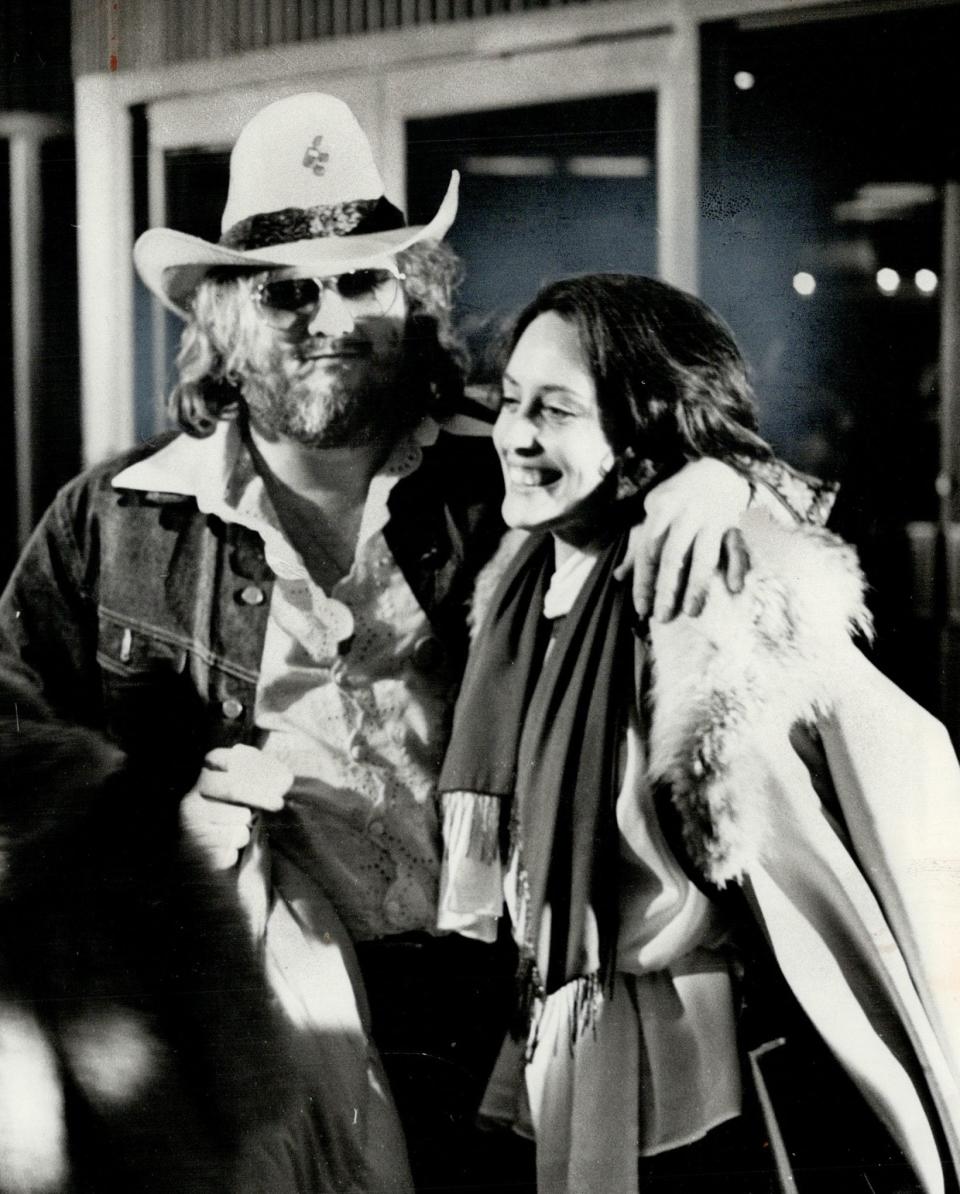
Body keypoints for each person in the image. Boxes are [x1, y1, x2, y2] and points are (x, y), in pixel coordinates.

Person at [0, 95, 830, 1192]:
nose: (326, 315)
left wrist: (724, 484)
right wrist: (151, 819)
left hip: (511, 1016)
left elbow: (787, 538)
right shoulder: (115, 520)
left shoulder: (512, 473)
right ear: (222, 321)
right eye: (284, 289)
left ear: (413, 297)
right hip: (259, 1028)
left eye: (360, 281)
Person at [438, 273, 960, 1194]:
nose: (515, 435)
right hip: (558, 1030)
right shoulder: (518, 581)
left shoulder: (708, 591)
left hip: (704, 1059)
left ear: (642, 429)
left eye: (555, 409)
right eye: (510, 401)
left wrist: (735, 481)